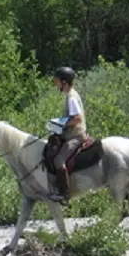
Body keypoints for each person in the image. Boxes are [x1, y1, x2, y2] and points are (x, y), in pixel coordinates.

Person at [46, 66, 87, 203]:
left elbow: (78, 119)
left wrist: (60, 124)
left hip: (76, 136)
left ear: (64, 82)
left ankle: (64, 194)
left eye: (56, 81)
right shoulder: (70, 95)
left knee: (59, 161)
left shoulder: (71, 97)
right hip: (70, 134)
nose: (55, 83)